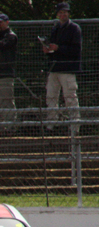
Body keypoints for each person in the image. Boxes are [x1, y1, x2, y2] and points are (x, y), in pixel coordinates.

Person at [43, 2, 82, 132]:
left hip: (67, 69)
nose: (62, 14)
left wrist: (59, 48)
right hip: (54, 68)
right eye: (60, 12)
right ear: (57, 14)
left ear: (68, 13)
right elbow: (54, 47)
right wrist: (48, 50)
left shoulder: (74, 28)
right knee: (51, 96)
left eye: (65, 12)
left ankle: (75, 127)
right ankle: (51, 125)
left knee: (70, 97)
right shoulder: (55, 28)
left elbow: (76, 50)